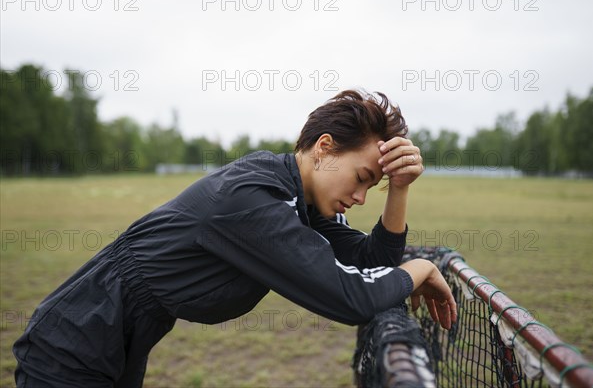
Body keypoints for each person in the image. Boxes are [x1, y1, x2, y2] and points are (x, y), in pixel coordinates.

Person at [13, 89, 457, 387]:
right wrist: (419, 269)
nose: (361, 197)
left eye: (371, 186)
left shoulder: (293, 197)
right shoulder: (256, 200)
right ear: (324, 148)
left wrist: (398, 187)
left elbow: (371, 260)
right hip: (74, 342)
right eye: (362, 178)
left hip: (114, 341)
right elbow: (350, 298)